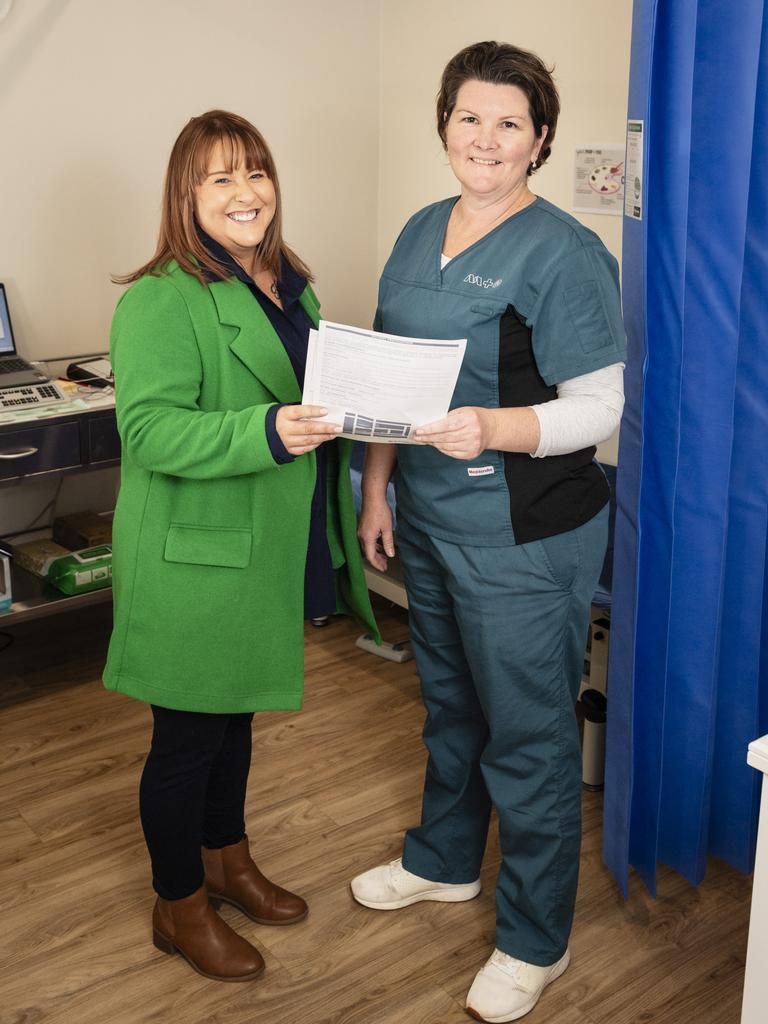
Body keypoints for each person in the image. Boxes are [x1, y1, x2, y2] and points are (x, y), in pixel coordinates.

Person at [351, 42, 625, 1022]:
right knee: (452, 707)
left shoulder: (564, 252)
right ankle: (442, 861)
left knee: (529, 732)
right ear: (445, 125)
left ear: (539, 139)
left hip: (525, 533)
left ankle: (534, 936)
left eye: (510, 122)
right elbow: (385, 381)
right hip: (428, 515)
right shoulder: (423, 227)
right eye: (471, 117)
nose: (487, 138)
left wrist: (498, 428)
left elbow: (600, 409)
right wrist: (377, 491)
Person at [103, 110, 377, 982]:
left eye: (254, 172)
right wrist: (265, 431)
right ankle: (178, 904)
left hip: (267, 540)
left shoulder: (292, 287)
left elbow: (319, 395)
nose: (244, 192)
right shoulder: (160, 296)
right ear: (186, 196)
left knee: (236, 721)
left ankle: (228, 862)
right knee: (187, 740)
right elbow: (149, 431)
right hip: (196, 552)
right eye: (218, 177)